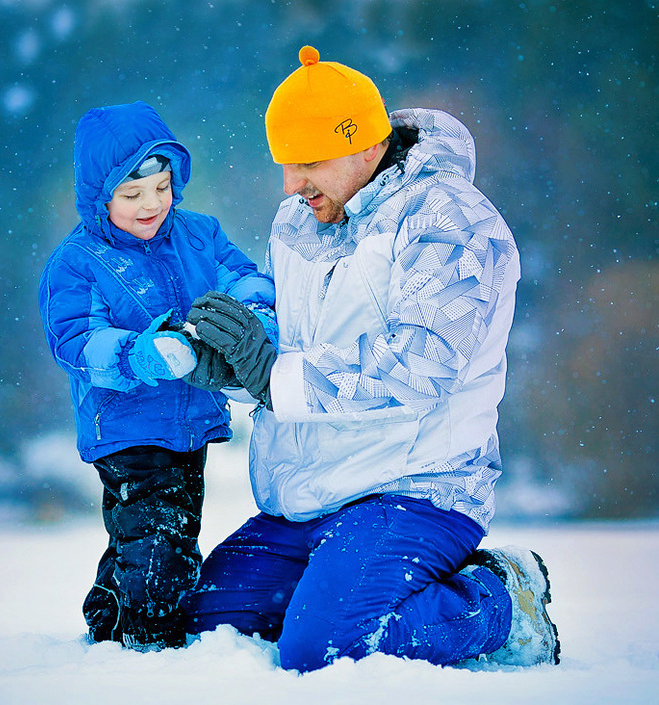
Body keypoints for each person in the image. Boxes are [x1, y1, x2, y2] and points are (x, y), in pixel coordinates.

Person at [181, 46, 560, 671]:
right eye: (284, 164)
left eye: (308, 163)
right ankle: (348, 583)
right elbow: (295, 347)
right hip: (310, 496)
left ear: (364, 147)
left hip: (417, 490)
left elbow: (420, 370)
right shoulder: (297, 220)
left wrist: (274, 380)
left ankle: (500, 601)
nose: (291, 184)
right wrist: (241, 368)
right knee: (210, 630)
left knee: (320, 649)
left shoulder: (449, 221)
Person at [38, 101, 275, 651]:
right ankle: (150, 644)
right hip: (128, 427)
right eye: (131, 194)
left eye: (162, 187)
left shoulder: (198, 234)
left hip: (189, 421)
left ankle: (110, 617)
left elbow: (243, 276)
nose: (152, 204)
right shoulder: (78, 262)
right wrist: (137, 356)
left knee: (159, 531)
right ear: (101, 195)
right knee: (158, 538)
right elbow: (75, 340)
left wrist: (253, 314)